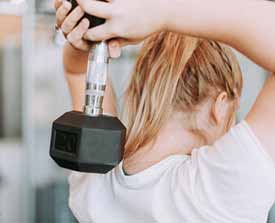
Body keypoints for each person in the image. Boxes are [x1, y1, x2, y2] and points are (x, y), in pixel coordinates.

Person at [54, 0, 275, 222]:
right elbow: (78, 71)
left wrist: (86, 28)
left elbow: (78, 71)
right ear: (220, 106)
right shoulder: (215, 191)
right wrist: (158, 12)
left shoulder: (95, 178)